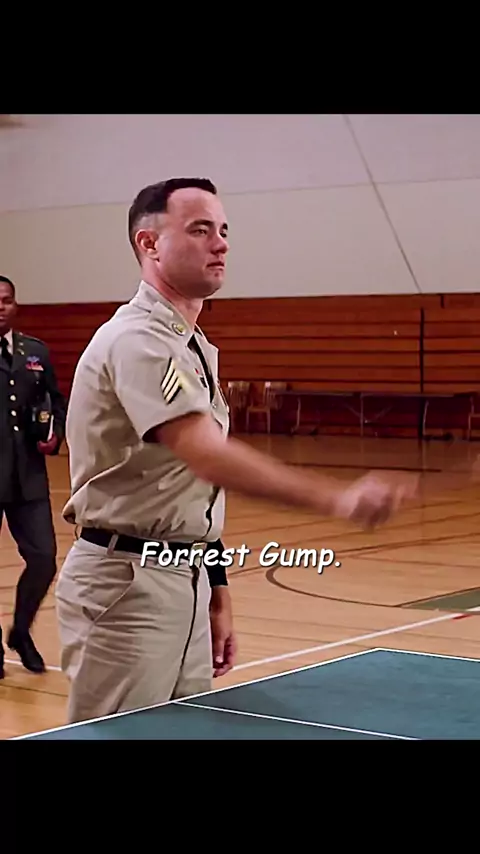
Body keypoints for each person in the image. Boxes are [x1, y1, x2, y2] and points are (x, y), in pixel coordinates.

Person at [55, 177, 417, 724]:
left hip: (183, 579)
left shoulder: (189, 346)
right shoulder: (139, 341)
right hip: (126, 587)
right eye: (200, 230)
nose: (220, 243)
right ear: (149, 243)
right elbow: (205, 454)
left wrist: (215, 587)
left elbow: (189, 488)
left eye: (223, 230)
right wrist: (337, 498)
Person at [0, 275, 66, 678]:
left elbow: (55, 401)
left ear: (15, 305)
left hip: (27, 476)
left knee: (43, 559)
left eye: (6, 300)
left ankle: (21, 632)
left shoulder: (34, 352)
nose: (0, 307)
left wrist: (55, 433)